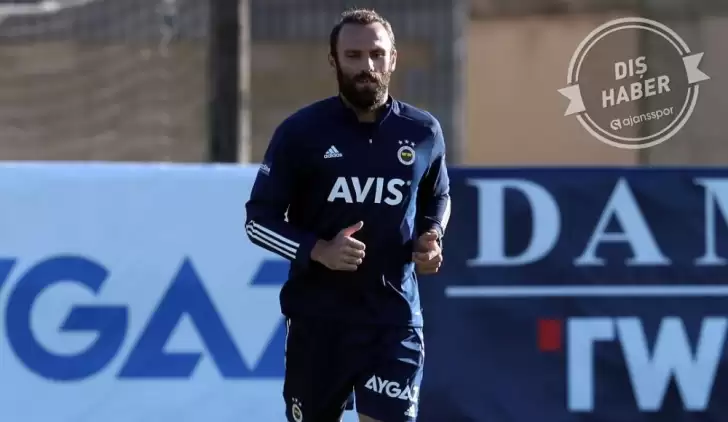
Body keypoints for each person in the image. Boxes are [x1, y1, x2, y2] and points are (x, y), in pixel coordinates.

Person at [245, 7, 451, 422]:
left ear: (393, 59)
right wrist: (318, 250)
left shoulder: (423, 130)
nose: (367, 66)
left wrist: (432, 235)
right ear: (334, 60)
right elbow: (258, 221)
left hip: (393, 319)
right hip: (319, 321)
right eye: (353, 55)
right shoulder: (300, 132)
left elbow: (438, 194)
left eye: (377, 54)